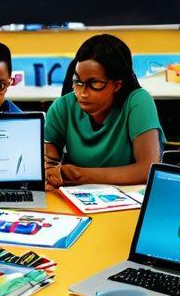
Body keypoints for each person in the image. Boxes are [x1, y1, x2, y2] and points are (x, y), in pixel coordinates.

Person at [44, 34, 162, 187]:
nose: (83, 93)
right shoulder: (63, 107)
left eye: (95, 83)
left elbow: (148, 169)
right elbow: (47, 160)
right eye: (78, 82)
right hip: (78, 200)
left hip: (129, 200)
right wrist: (49, 165)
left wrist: (79, 175)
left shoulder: (138, 102)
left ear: (117, 85)